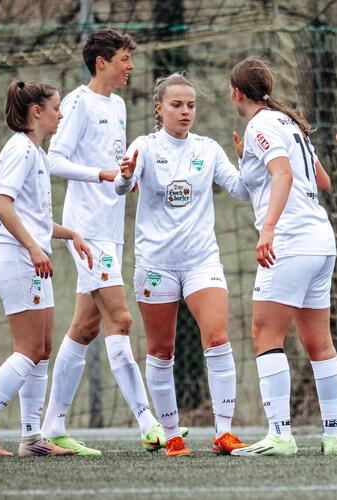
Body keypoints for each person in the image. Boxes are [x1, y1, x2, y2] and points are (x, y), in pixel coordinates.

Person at [41, 28, 165, 456]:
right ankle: (149, 423)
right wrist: (102, 174)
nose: (131, 67)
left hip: (111, 229)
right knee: (122, 320)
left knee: (85, 327)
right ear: (102, 62)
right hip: (87, 231)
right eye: (125, 59)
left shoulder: (118, 105)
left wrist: (124, 178)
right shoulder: (77, 103)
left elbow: (112, 171)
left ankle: (52, 426)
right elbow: (55, 160)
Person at [114, 73, 250, 457]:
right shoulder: (143, 146)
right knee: (161, 350)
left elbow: (240, 189)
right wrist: (124, 178)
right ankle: (171, 434)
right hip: (156, 265)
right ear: (159, 108)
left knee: (218, 338)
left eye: (191, 105)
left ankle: (224, 432)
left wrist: (248, 161)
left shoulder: (207, 149)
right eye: (176, 105)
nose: (185, 111)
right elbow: (122, 188)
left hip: (201, 261)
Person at [0, 80, 91, 457]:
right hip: (16, 258)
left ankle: (32, 439)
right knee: (29, 348)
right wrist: (33, 248)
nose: (60, 115)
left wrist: (70, 235)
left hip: (30, 257)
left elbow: (33, 217)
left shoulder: (34, 152)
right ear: (37, 112)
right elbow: (1, 205)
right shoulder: (20, 149)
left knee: (43, 349)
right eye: (55, 108)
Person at [226, 57, 337, 457]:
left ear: (236, 93)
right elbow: (321, 180)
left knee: (264, 334)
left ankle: (280, 434)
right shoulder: (288, 123)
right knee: (319, 343)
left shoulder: (260, 124)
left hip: (290, 242)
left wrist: (270, 228)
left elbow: (283, 174)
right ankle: (332, 436)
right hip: (321, 241)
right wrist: (247, 161)